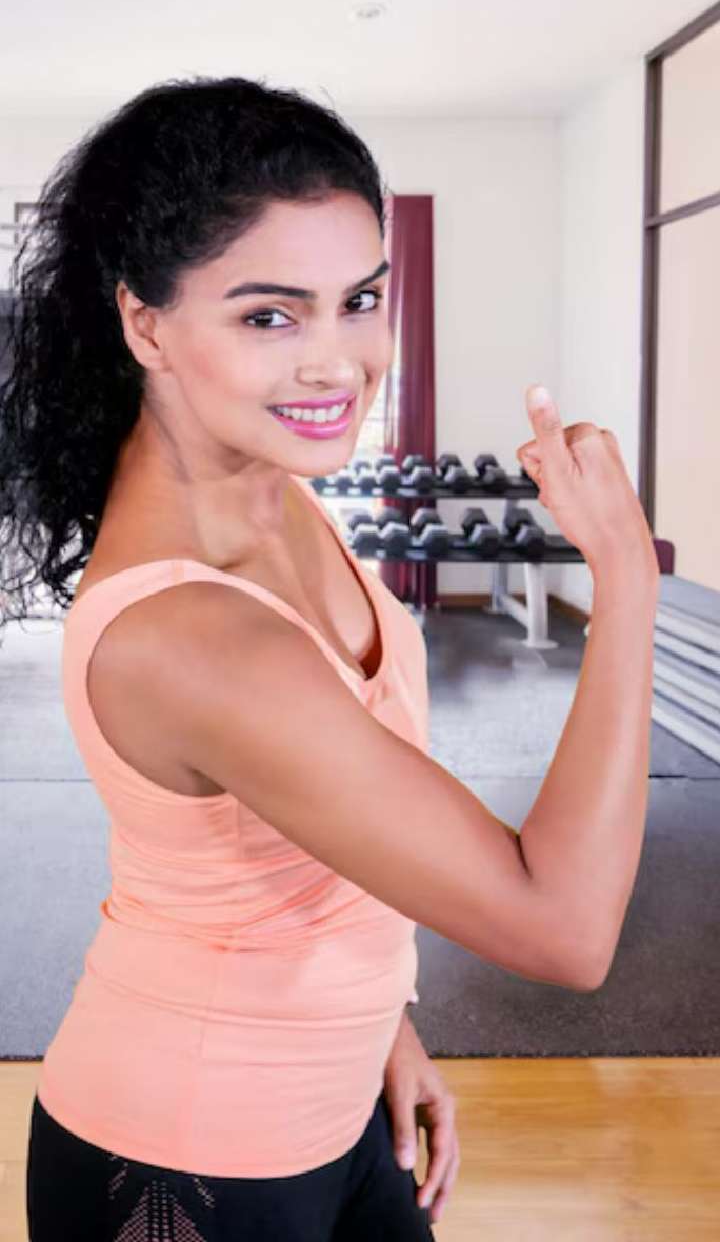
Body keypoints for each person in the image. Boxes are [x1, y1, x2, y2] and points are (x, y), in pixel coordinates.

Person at [0, 75, 660, 1242]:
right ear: (145, 324)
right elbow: (564, 928)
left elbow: (299, 836)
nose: (338, 361)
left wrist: (381, 1021)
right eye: (270, 316)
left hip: (344, 1106)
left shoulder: (267, 489)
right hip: (183, 1161)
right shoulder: (195, 635)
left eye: (359, 299)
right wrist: (628, 575)